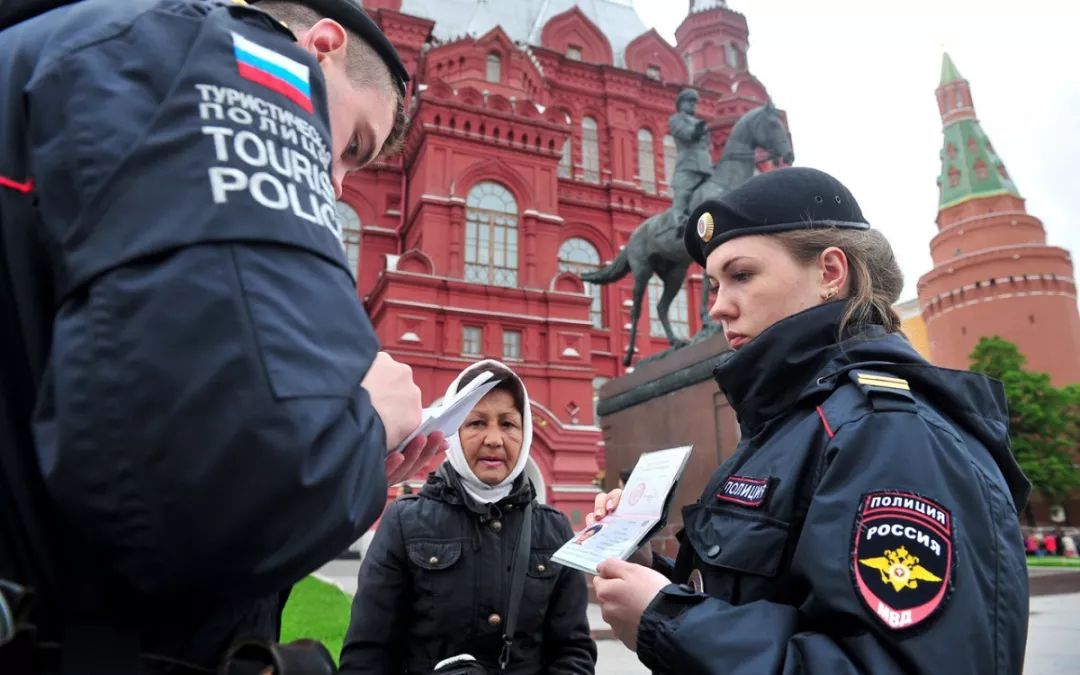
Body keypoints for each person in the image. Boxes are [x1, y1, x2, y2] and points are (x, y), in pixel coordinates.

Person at [0, 0, 446, 672]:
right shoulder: (230, 61)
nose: (333, 180)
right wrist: (362, 423)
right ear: (319, 46)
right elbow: (202, 493)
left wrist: (345, 454)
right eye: (352, 142)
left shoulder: (52, 53)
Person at [588, 167, 1031, 674]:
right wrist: (652, 578)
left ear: (829, 273)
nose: (718, 308)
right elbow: (771, 598)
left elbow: (896, 665)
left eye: (742, 275)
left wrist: (667, 619)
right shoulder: (798, 421)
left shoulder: (887, 432)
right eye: (713, 284)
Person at [339, 360, 597, 675]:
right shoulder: (405, 523)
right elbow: (368, 653)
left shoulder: (554, 529)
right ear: (453, 432)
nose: (494, 439)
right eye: (476, 423)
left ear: (525, 431)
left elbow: (574, 652)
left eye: (507, 424)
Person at [667, 89, 713, 226]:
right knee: (682, 195)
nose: (693, 104)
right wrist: (699, 129)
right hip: (688, 165)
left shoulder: (699, 122)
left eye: (694, 102)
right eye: (690, 101)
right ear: (681, 104)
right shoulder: (676, 119)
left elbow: (707, 146)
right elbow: (686, 134)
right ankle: (679, 223)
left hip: (706, 166)